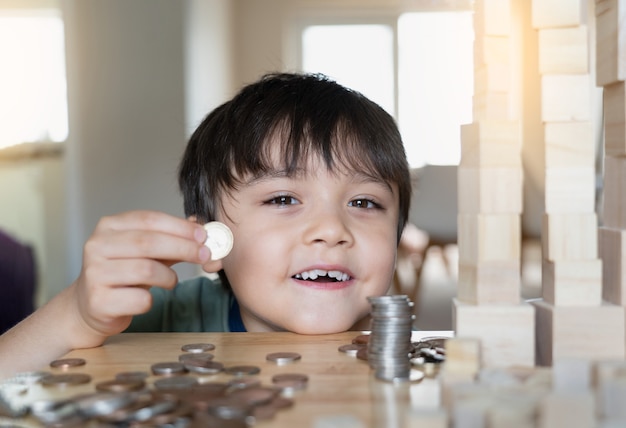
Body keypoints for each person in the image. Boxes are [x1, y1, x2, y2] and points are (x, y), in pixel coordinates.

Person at [0, 72, 412, 379]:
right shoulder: (160, 316)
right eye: (283, 199)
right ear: (211, 243)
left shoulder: (412, 351)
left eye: (364, 202)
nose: (331, 228)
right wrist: (77, 315)